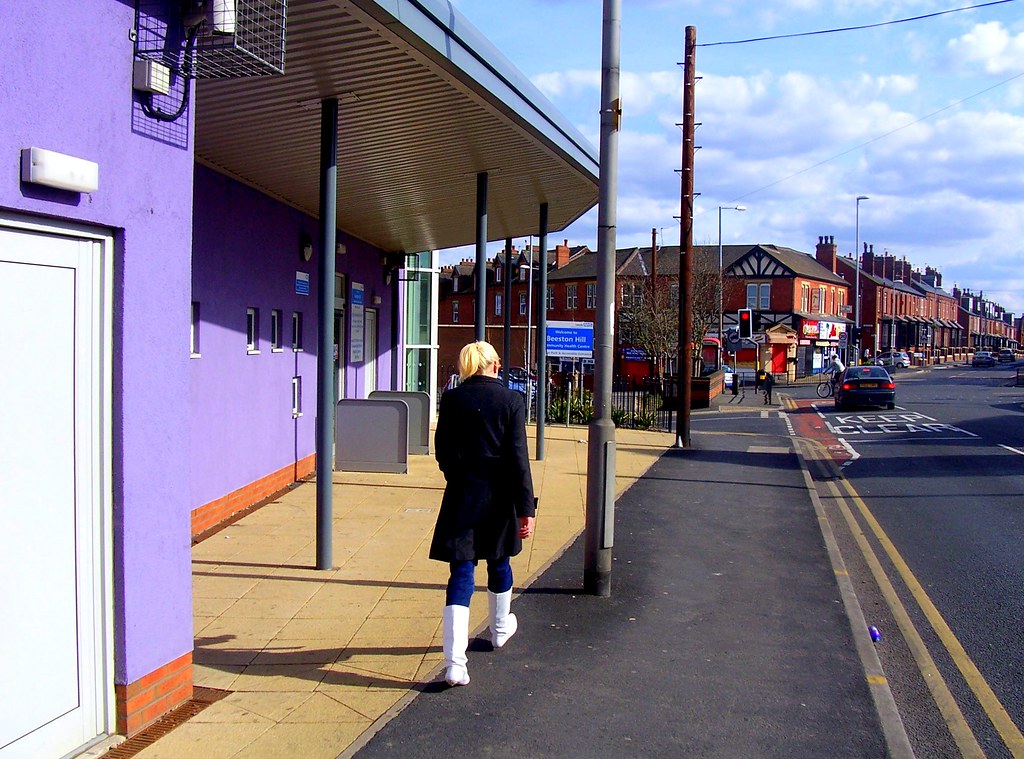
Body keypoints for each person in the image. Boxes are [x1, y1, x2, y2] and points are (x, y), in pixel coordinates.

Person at [430, 340, 536, 687]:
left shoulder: (453, 399)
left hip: (462, 495)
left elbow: (442, 450)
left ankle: (454, 665)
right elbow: (519, 458)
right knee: (500, 562)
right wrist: (526, 508)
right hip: (500, 497)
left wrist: (457, 475)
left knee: (461, 574)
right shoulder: (510, 400)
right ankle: (500, 629)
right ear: (493, 365)